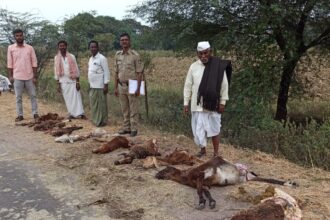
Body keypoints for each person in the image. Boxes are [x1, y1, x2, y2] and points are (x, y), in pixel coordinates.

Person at [183, 41, 231, 157]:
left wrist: (223, 102)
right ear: (197, 54)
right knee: (198, 129)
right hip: (197, 104)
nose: (203, 56)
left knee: (215, 128)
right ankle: (202, 150)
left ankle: (215, 153)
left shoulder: (217, 66)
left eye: (205, 53)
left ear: (210, 52)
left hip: (213, 103)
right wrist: (186, 103)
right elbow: (188, 85)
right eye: (200, 54)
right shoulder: (193, 67)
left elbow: (224, 85)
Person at [114, 33, 143, 137]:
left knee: (133, 108)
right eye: (122, 40)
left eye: (126, 40)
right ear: (120, 42)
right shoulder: (118, 55)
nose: (124, 41)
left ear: (129, 41)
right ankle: (126, 128)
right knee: (124, 108)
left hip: (133, 84)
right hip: (121, 85)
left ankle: (134, 128)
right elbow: (116, 72)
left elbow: (139, 73)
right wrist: (116, 87)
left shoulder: (135, 55)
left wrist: (138, 88)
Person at [7, 29, 39, 122]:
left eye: (20, 35)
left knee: (33, 95)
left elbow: (34, 62)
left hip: (29, 76)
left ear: (23, 36)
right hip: (17, 76)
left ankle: (35, 113)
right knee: (18, 97)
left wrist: (35, 76)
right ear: (14, 37)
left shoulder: (30, 48)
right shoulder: (11, 48)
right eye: (17, 36)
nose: (19, 37)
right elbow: (10, 63)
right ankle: (20, 115)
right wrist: (10, 76)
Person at [54, 40, 85, 119]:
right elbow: (56, 71)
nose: (62, 47)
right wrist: (58, 84)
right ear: (58, 47)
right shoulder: (56, 58)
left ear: (66, 46)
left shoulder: (72, 56)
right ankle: (71, 113)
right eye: (60, 46)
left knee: (77, 98)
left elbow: (76, 70)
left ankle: (80, 114)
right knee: (68, 99)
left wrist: (78, 82)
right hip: (63, 81)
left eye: (63, 45)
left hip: (73, 81)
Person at [87, 40, 110, 127]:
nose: (93, 48)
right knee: (94, 104)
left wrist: (106, 85)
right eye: (91, 47)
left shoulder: (102, 58)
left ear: (98, 48)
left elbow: (106, 72)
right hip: (92, 85)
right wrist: (89, 83)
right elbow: (90, 72)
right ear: (89, 48)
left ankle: (102, 121)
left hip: (100, 86)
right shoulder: (90, 59)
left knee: (101, 104)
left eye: (94, 47)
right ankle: (96, 120)